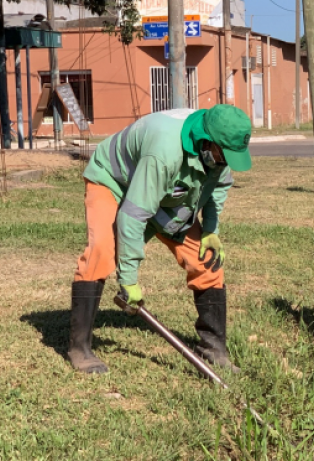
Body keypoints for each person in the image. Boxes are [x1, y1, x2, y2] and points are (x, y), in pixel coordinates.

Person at [68, 104, 252, 375]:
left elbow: (219, 185)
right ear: (207, 141)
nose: (226, 161)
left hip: (166, 191)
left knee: (207, 262)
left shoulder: (217, 152)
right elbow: (132, 216)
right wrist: (128, 280)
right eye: (223, 154)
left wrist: (211, 229)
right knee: (102, 251)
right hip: (115, 180)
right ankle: (79, 348)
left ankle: (213, 348)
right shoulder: (165, 152)